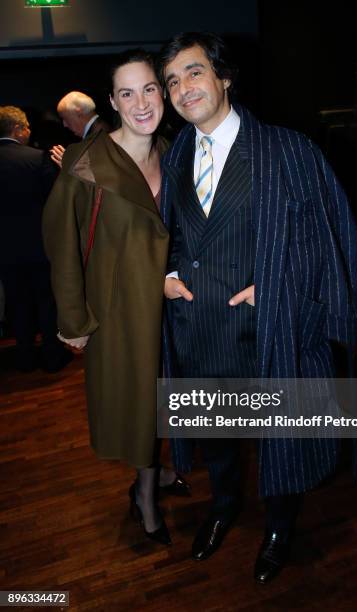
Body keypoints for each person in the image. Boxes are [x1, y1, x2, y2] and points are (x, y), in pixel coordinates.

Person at [158, 32, 357, 583]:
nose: (183, 88)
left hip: (270, 328)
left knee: (282, 438)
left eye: (194, 72)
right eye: (173, 80)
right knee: (216, 436)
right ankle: (223, 507)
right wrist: (170, 275)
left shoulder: (287, 148)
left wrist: (279, 289)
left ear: (224, 78)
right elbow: (172, 236)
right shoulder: (177, 154)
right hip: (198, 326)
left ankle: (279, 526)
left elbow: (329, 240)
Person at [43, 50, 189, 546]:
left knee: (166, 402)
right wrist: (74, 321)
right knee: (139, 407)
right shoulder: (88, 165)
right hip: (121, 315)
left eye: (149, 88)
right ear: (112, 101)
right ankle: (145, 495)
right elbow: (61, 243)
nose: (141, 102)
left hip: (176, 312)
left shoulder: (173, 150)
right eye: (127, 92)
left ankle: (156, 473)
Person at [0, 105, 72, 372]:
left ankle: (25, 357)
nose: (29, 131)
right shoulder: (37, 158)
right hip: (39, 245)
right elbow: (55, 202)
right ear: (17, 130)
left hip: (5, 250)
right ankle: (52, 355)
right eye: (27, 126)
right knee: (46, 300)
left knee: (17, 303)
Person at [50, 91, 110, 167]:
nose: (65, 125)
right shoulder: (99, 129)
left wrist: (70, 167)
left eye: (65, 118)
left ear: (79, 113)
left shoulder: (100, 136)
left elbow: (103, 175)